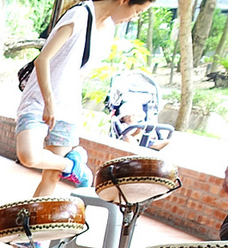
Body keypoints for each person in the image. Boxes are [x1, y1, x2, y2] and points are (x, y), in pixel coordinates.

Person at [15, 0, 153, 197]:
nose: (135, 17)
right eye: (137, 11)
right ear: (123, 1)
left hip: (68, 107)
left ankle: (34, 226)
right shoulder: (79, 15)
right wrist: (50, 103)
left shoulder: (108, 30)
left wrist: (69, 106)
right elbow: (42, 60)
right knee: (29, 155)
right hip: (40, 101)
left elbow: (80, 73)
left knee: (52, 176)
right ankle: (73, 165)